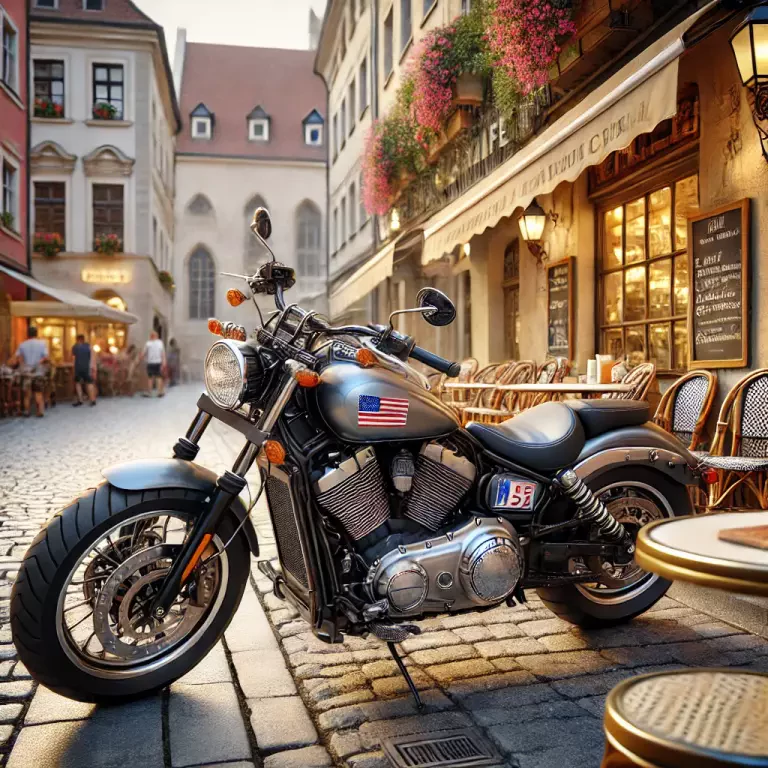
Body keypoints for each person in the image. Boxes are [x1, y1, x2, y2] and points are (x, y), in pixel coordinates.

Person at [11, 327, 49, 418]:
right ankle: (40, 411)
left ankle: (27, 411)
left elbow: (17, 357)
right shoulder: (42, 344)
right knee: (38, 392)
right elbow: (46, 357)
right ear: (36, 333)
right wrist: (38, 362)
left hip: (27, 372)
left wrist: (23, 365)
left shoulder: (22, 344)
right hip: (38, 372)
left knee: (27, 394)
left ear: (27, 334)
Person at [71, 334, 97, 407]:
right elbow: (93, 356)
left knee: (78, 384)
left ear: (77, 339)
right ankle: (93, 400)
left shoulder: (75, 347)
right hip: (87, 368)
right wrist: (93, 367)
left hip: (78, 368)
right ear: (83, 339)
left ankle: (80, 400)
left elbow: (73, 359)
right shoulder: (89, 346)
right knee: (89, 383)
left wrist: (73, 369)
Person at [141, 331, 166, 398]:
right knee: (158, 377)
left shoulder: (148, 343)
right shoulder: (160, 343)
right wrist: (164, 362)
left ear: (151, 336)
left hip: (150, 363)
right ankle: (160, 392)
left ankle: (149, 393)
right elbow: (162, 353)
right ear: (157, 336)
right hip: (158, 362)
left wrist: (141, 359)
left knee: (150, 378)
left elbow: (143, 353)